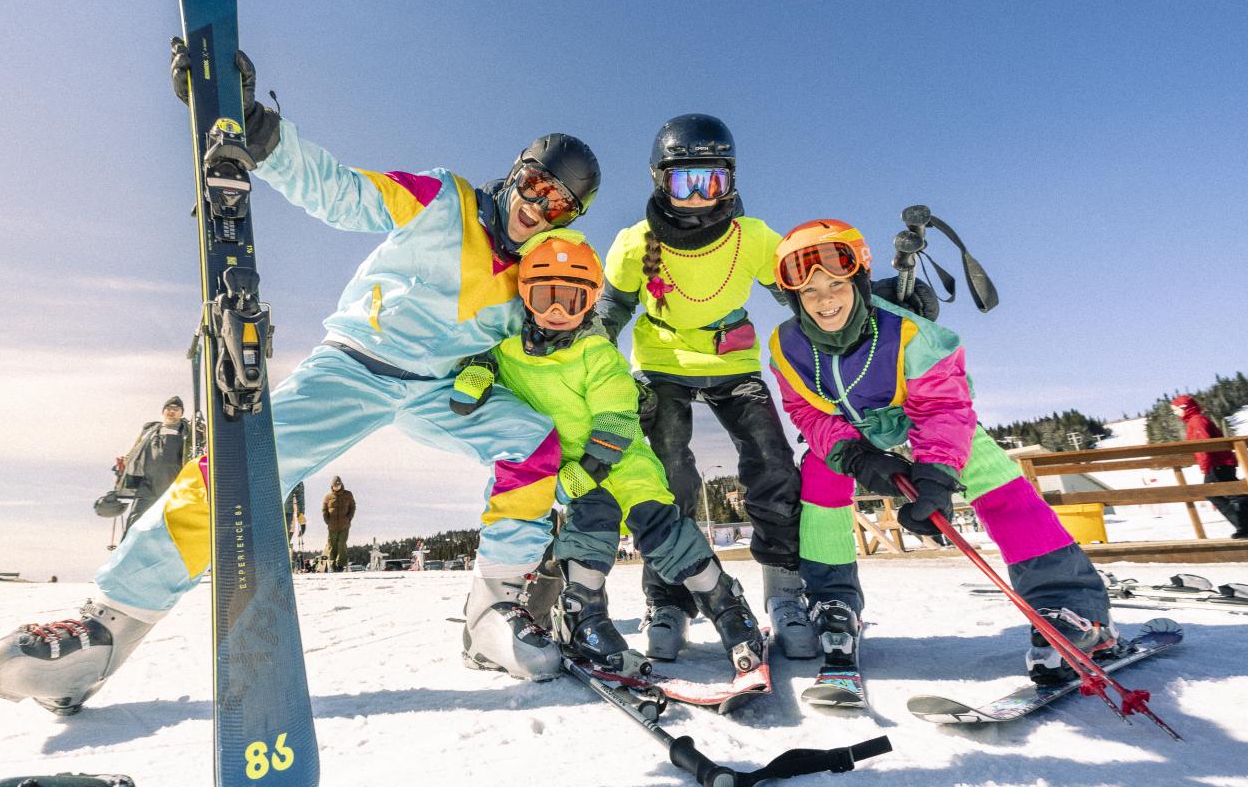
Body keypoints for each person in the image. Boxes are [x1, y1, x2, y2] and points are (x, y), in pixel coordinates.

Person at [0, 44, 602, 713]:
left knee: (533, 442)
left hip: (437, 390)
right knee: (243, 467)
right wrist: (261, 135)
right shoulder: (445, 198)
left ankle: (491, 614)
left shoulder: (539, 270)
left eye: (560, 206)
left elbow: (544, 345)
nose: (540, 208)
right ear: (516, 172)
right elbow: (344, 191)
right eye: (535, 185)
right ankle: (107, 626)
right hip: (357, 365)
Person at [596, 114, 938, 661]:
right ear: (661, 180)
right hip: (661, 361)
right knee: (667, 471)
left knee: (772, 461)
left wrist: (876, 298)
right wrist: (580, 368)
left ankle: (784, 591)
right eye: (688, 182)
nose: (702, 198)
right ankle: (668, 596)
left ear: (731, 181)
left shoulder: (751, 237)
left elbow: (807, 288)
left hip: (733, 361)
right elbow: (610, 313)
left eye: (715, 182)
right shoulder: (635, 243)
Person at [766, 219, 1115, 684]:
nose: (825, 300)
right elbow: (808, 413)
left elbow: (944, 407)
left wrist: (934, 475)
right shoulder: (786, 347)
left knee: (985, 465)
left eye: (836, 284)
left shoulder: (909, 334)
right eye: (809, 292)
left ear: (859, 282)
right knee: (820, 473)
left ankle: (1070, 602)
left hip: (921, 418)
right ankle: (834, 602)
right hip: (856, 432)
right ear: (793, 299)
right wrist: (856, 457)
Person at [453, 231, 765, 674]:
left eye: (573, 300)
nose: (558, 312)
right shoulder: (507, 349)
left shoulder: (597, 352)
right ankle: (585, 616)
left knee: (660, 529)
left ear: (590, 303)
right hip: (569, 463)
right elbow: (486, 362)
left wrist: (592, 468)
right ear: (525, 296)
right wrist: (479, 369)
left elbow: (617, 417)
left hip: (619, 460)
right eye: (546, 298)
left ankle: (728, 607)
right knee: (591, 523)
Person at [1171, 395, 1248, 539]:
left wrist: (1205, 465)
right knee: (1231, 494)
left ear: (1184, 408)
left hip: (1217, 463)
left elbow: (1204, 445)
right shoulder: (1195, 420)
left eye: (1176, 409)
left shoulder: (1197, 421)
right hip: (1220, 462)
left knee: (1227, 494)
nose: (1175, 413)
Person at [115, 397, 190, 534]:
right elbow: (136, 450)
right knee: (136, 518)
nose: (171, 412)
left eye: (176, 409)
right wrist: (126, 461)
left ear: (181, 413)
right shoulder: (150, 431)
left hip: (174, 485)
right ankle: (126, 548)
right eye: (168, 409)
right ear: (163, 412)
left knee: (173, 523)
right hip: (148, 484)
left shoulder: (189, 432)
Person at [322, 476, 357, 571]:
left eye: (338, 485)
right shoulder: (328, 497)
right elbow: (324, 510)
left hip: (344, 525)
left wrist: (349, 518)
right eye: (335, 485)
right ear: (332, 486)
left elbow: (352, 507)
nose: (336, 487)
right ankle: (332, 565)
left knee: (341, 544)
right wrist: (327, 521)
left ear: (341, 485)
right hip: (332, 526)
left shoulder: (348, 495)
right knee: (331, 545)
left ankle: (340, 565)